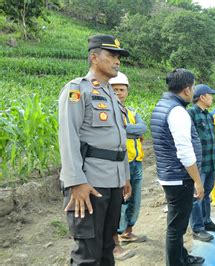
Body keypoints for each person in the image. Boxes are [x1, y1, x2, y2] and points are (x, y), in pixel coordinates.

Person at [58, 34, 132, 264]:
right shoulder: (78, 90)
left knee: (107, 246)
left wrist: (126, 177)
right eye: (111, 55)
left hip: (113, 181)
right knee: (88, 253)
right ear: (94, 58)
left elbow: (118, 140)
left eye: (119, 56)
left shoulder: (112, 94)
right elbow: (68, 137)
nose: (117, 61)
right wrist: (76, 182)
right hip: (90, 183)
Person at [150, 68, 205, 266]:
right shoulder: (177, 112)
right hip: (179, 176)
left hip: (169, 173)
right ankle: (175, 262)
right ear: (188, 89)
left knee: (177, 223)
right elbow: (184, 151)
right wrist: (198, 181)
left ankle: (182, 256)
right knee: (176, 227)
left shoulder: (162, 105)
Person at [110, 71, 147, 260]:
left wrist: (127, 130)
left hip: (136, 162)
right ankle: (115, 243)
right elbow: (120, 131)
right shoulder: (109, 111)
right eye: (115, 89)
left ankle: (128, 232)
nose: (118, 92)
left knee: (135, 200)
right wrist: (130, 131)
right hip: (120, 164)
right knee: (120, 203)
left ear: (127, 91)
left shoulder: (132, 112)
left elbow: (142, 128)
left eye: (122, 89)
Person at [188, 84, 215, 242]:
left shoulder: (209, 115)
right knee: (197, 196)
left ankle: (206, 221)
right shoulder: (191, 114)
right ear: (202, 97)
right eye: (211, 95)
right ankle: (197, 228)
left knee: (207, 193)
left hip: (210, 161)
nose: (213, 98)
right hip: (199, 164)